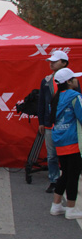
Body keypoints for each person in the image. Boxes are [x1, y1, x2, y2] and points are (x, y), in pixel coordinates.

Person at [48, 68, 82, 219]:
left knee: (65, 174)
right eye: (74, 78)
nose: (77, 80)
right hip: (73, 141)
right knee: (73, 176)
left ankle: (56, 205)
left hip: (60, 140)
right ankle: (71, 209)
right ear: (68, 81)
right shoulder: (75, 96)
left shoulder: (56, 98)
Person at [38, 50, 68, 193]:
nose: (51, 64)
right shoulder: (46, 81)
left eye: (55, 61)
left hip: (67, 124)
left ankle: (68, 180)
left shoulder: (71, 80)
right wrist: (41, 122)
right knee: (51, 155)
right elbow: (42, 103)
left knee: (68, 154)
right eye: (51, 61)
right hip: (50, 124)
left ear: (64, 63)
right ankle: (54, 180)